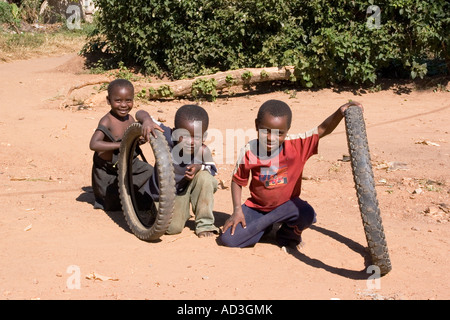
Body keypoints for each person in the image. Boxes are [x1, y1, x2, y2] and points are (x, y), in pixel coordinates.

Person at [219, 99, 363, 249]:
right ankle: (266, 226)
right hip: (258, 208)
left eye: (279, 133)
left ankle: (286, 235)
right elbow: (237, 180)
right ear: (257, 125)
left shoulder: (297, 145)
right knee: (229, 240)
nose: (271, 137)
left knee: (306, 213)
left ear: (287, 130)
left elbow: (322, 129)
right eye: (265, 130)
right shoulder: (249, 151)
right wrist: (237, 211)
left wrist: (340, 112)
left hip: (287, 207)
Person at [136, 104, 220, 238]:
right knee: (172, 228)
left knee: (206, 178)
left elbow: (212, 170)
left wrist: (199, 167)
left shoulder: (203, 151)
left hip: (183, 192)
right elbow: (140, 113)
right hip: (161, 195)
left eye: (197, 137)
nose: (191, 142)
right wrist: (146, 120)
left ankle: (205, 224)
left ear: (204, 136)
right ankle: (159, 210)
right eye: (184, 136)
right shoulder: (166, 135)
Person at [89, 79, 152, 211]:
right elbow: (94, 144)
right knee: (113, 204)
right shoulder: (107, 121)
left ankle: (129, 190)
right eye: (118, 101)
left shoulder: (130, 119)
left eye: (128, 100)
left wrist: (138, 141)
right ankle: (126, 192)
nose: (123, 105)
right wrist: (121, 145)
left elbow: (132, 140)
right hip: (108, 169)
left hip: (129, 163)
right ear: (108, 100)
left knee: (150, 172)